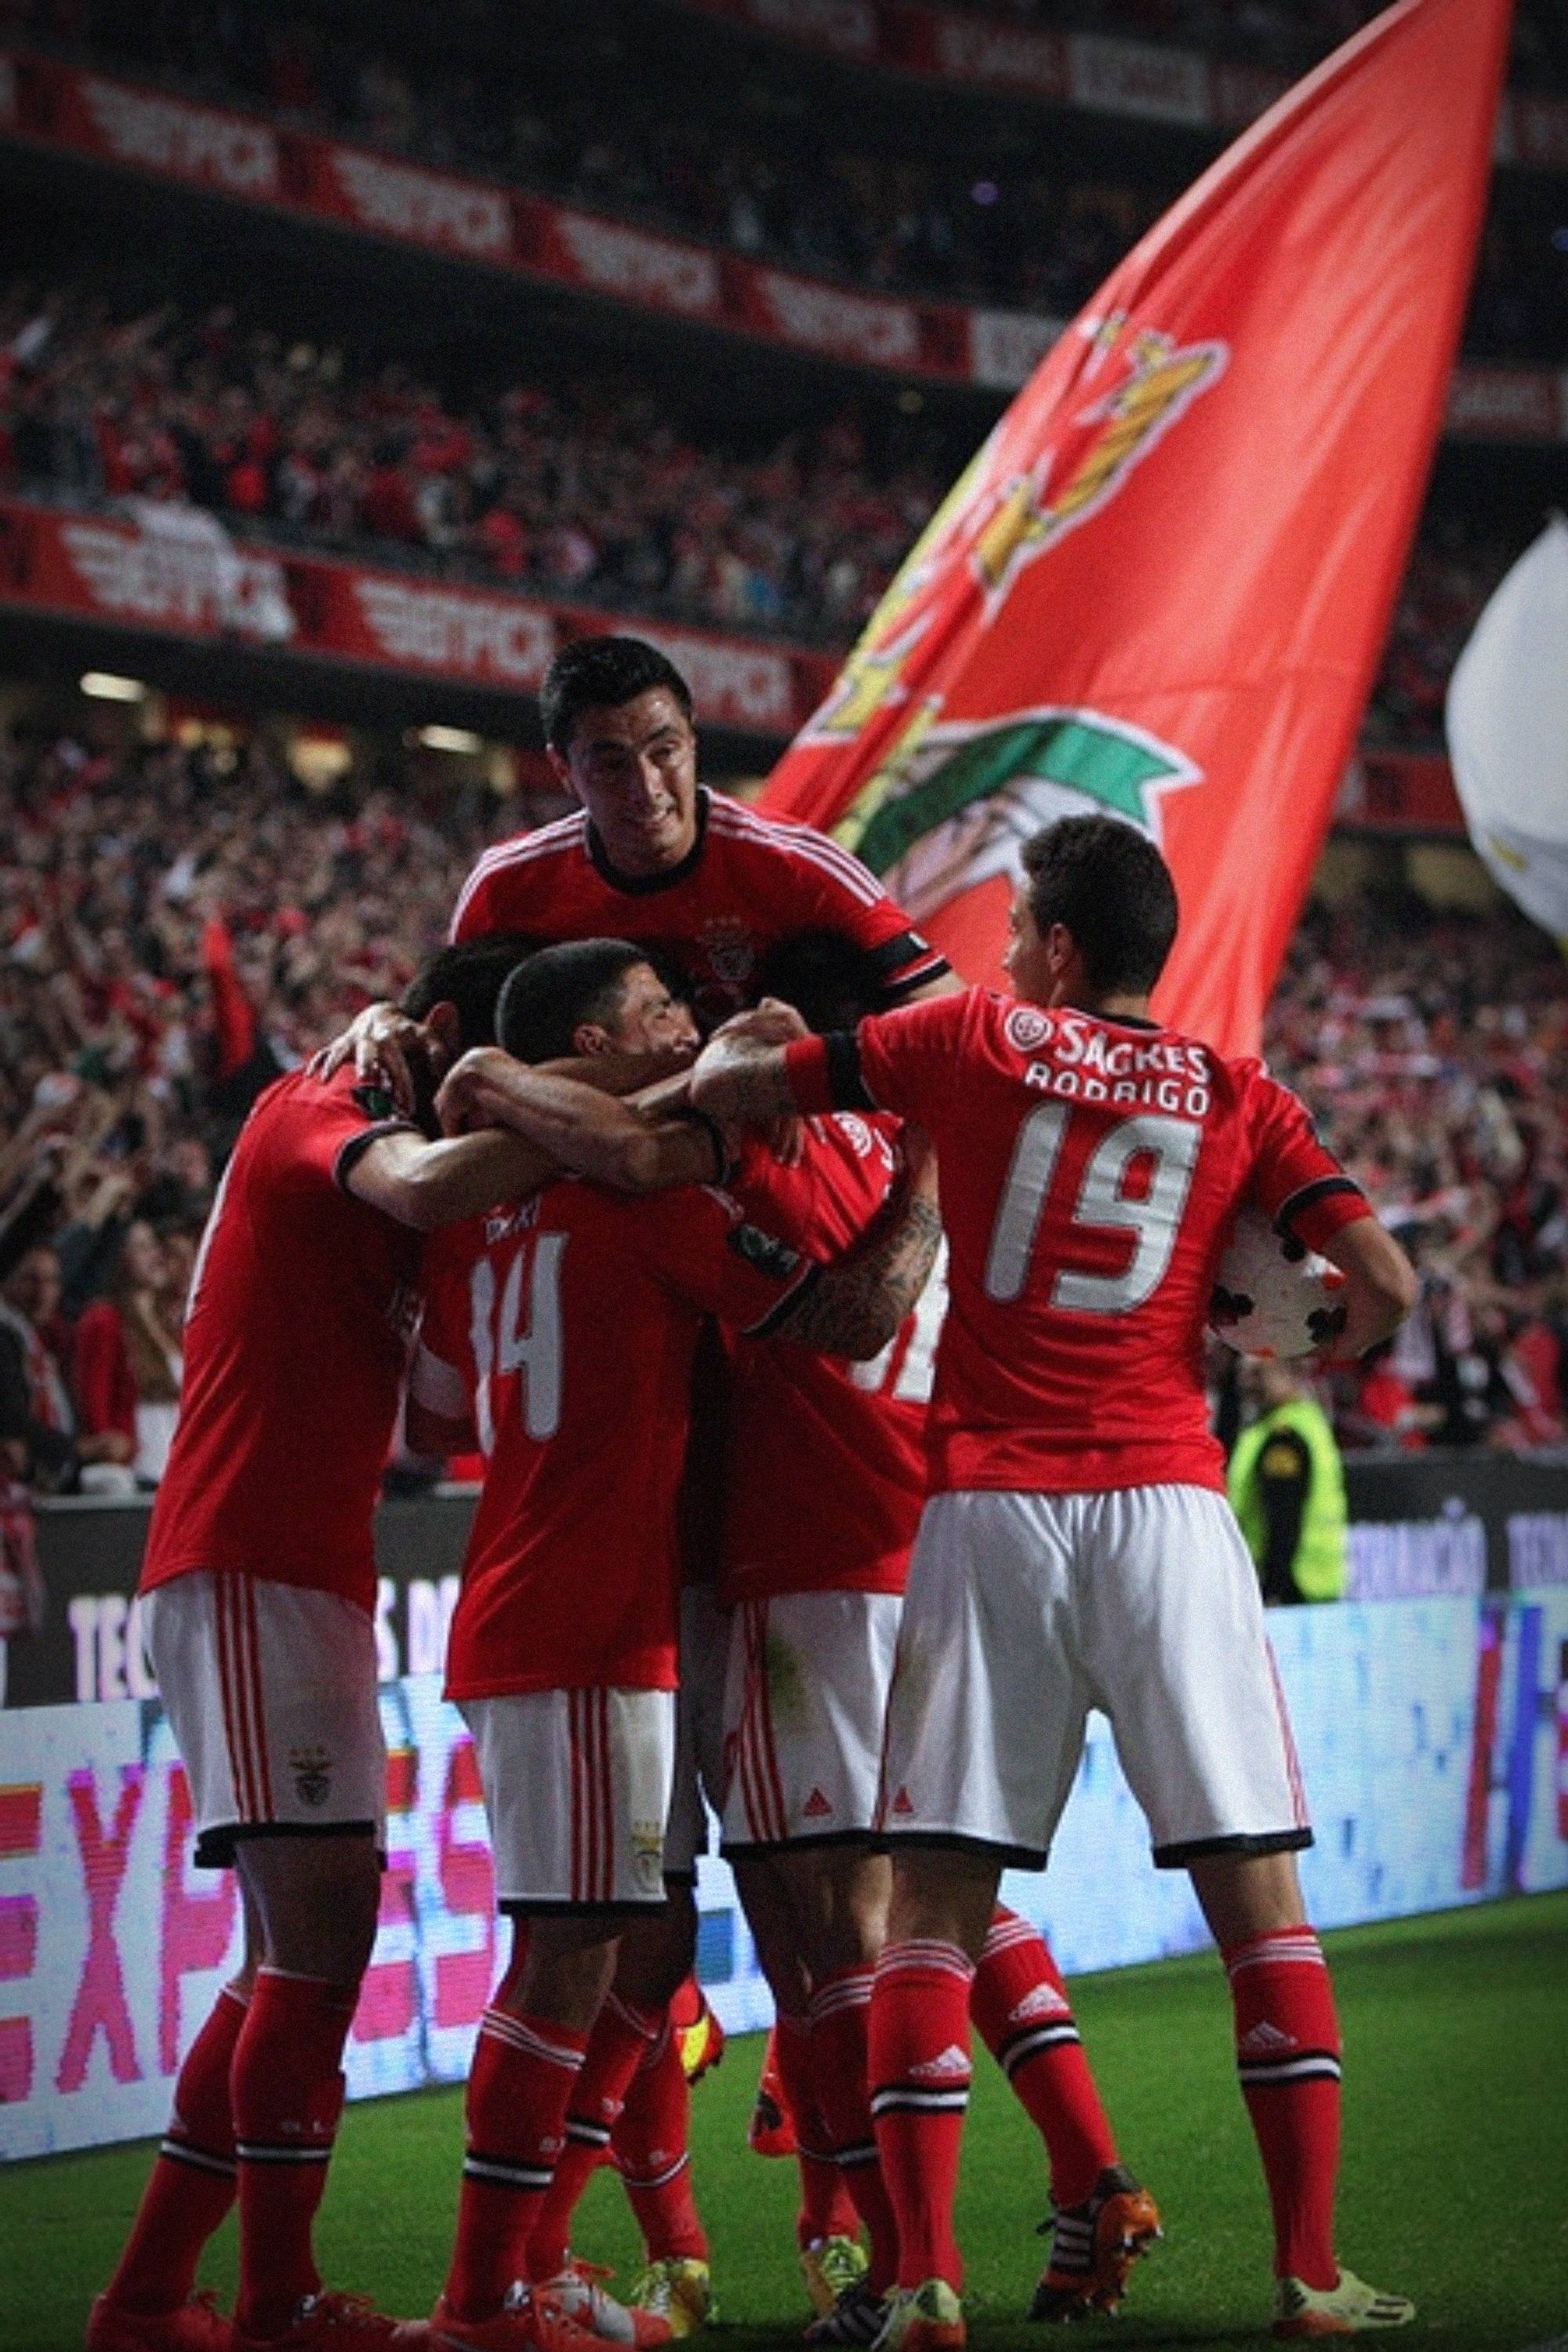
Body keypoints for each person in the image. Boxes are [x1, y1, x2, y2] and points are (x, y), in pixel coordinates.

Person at [691, 815, 1421, 2348]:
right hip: (1163, 1504)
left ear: (1065, 949)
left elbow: (756, 1087)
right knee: (1261, 1910)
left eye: (1021, 927)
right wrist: (1290, 1331)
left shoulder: (970, 1037)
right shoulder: (1241, 1090)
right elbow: (1387, 1294)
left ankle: (930, 2290)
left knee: (934, 1915)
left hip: (991, 1508)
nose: (1005, 951)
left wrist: (745, 1050)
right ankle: (1310, 2281)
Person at [406, 938, 943, 2352]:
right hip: (605, 1617)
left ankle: (588, 2267)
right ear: (599, 1037)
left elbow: (435, 1415)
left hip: (536, 1607)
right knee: (601, 1958)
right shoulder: (645, 1201)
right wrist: (928, 1167)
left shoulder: (477, 1215)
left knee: (631, 1957)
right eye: (660, 1010)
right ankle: (498, 2299)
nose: (690, 1025)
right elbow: (850, 1313)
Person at [90, 935, 572, 2352]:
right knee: (315, 1942)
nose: (510, 1117)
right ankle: (275, 2306)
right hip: (240, 1556)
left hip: (307, 1570)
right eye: (502, 1087)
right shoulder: (321, 1103)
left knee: (294, 1955)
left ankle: (149, 2298)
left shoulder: (408, 1184)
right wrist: (612, 1129)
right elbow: (424, 1174)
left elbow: (438, 1427)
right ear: (437, 1039)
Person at [1228, 1363, 1348, 1606]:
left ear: (1290, 1373)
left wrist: (1273, 1589)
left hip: (1291, 1587)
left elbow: (1283, 1519)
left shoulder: (1284, 1437)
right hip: (1318, 1582)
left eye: (1259, 1373)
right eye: (1244, 1372)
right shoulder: (1311, 1422)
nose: (1247, 1382)